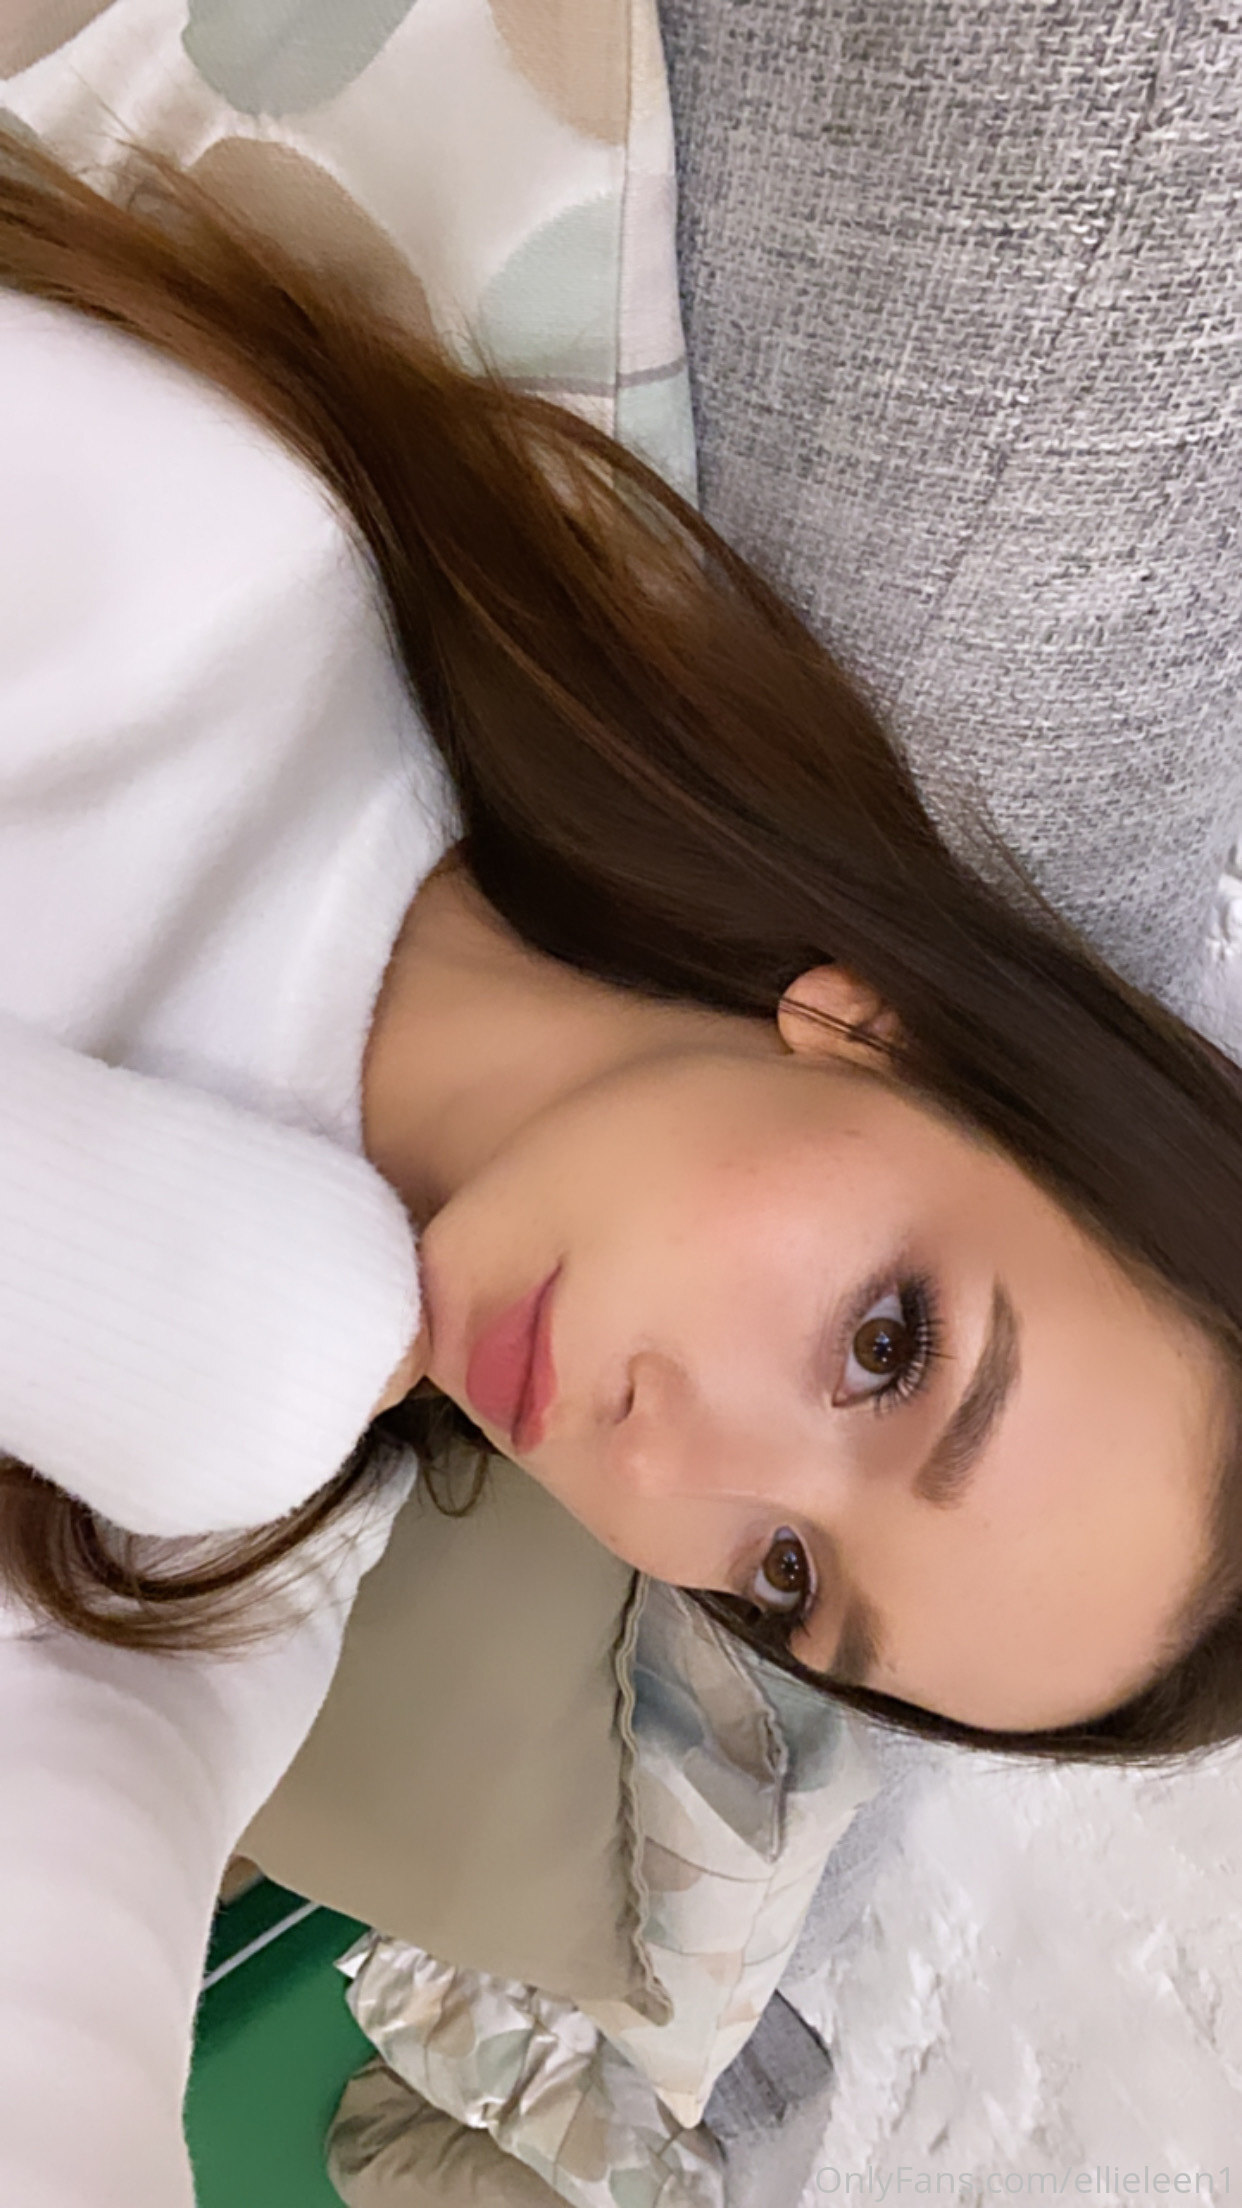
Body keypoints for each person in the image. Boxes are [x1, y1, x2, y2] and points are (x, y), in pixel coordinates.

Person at [0, 75, 1237, 2198]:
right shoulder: (219, 584)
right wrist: (250, 1346)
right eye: (886, 1349)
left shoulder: (256, 1551)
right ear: (878, 1032)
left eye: (783, 1579)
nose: (668, 1462)